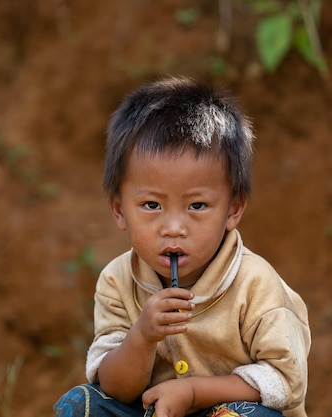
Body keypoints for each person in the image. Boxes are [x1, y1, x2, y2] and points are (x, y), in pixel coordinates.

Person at [54, 76, 310, 417]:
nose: (173, 229)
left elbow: (285, 382)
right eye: (151, 205)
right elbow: (114, 388)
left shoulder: (256, 286)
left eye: (197, 206)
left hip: (226, 411)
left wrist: (192, 392)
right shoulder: (117, 281)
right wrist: (142, 337)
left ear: (233, 209)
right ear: (119, 210)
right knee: (80, 406)